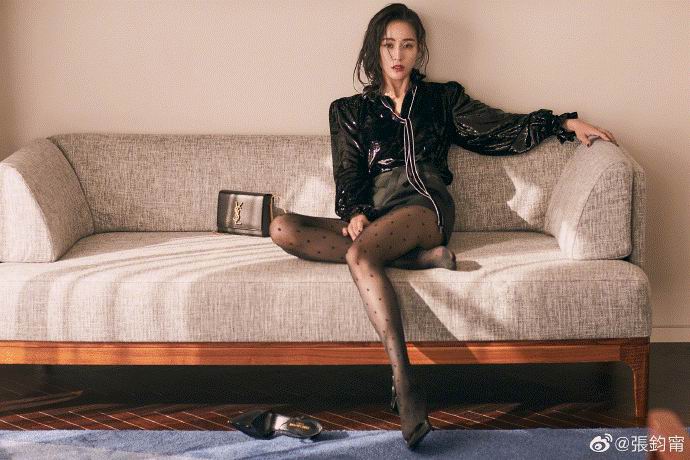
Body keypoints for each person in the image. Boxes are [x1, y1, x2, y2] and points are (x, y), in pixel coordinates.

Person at [269, 2, 618, 450]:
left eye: (407, 45)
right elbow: (348, 172)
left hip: (424, 207)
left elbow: (498, 129)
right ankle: (415, 260)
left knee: (360, 254)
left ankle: (405, 382)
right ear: (375, 49)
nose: (398, 54)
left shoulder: (441, 100)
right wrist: (354, 211)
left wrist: (562, 123)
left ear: (419, 50)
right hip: (377, 215)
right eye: (389, 44)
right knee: (282, 227)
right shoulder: (348, 110)